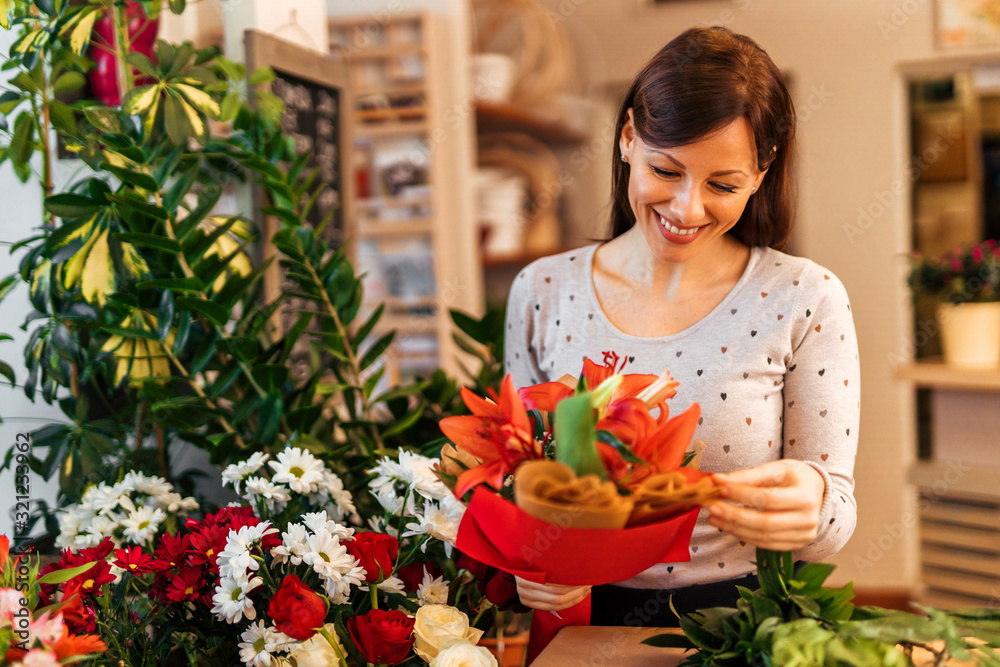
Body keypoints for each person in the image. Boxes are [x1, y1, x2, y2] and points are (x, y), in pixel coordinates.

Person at [503, 26, 859, 626]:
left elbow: (835, 517)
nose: (687, 209)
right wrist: (528, 563)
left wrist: (813, 506)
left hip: (747, 624)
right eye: (666, 171)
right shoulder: (542, 291)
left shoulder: (806, 298)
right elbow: (518, 473)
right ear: (626, 139)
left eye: (723, 184)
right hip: (581, 622)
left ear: (763, 172)